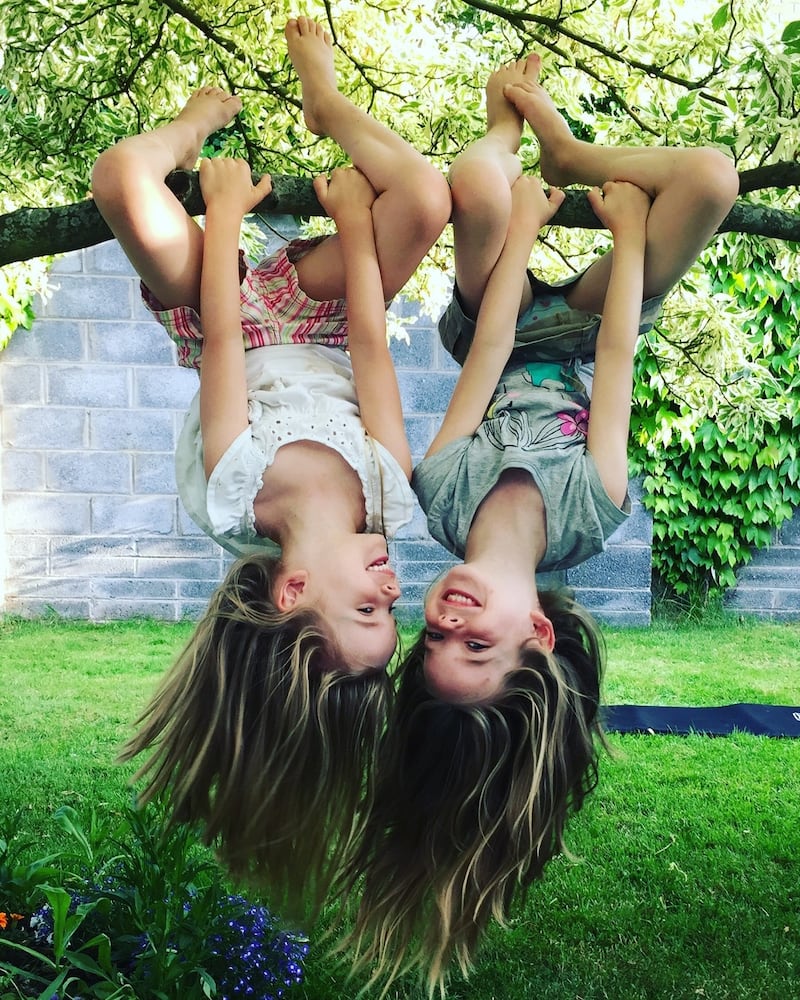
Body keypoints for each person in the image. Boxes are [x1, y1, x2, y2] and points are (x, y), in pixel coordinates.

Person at [337, 54, 740, 990]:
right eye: (476, 647)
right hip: (599, 320)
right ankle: (571, 148)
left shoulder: (442, 492)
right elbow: (615, 366)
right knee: (711, 178)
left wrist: (519, 231)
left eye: (433, 637)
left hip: (501, 316)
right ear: (539, 633)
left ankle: (515, 133)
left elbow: (484, 354)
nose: (448, 617)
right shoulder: (591, 513)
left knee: (479, 183)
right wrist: (628, 239)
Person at [93, 16, 450, 918]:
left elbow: (219, 339)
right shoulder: (387, 498)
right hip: (323, 322)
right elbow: (369, 344)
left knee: (121, 180)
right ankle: (326, 101)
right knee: (427, 200)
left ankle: (191, 122)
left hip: (226, 321)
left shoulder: (234, 493)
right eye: (393, 614)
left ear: (292, 593)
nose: (395, 588)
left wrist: (221, 217)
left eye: (368, 609)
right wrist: (356, 228)